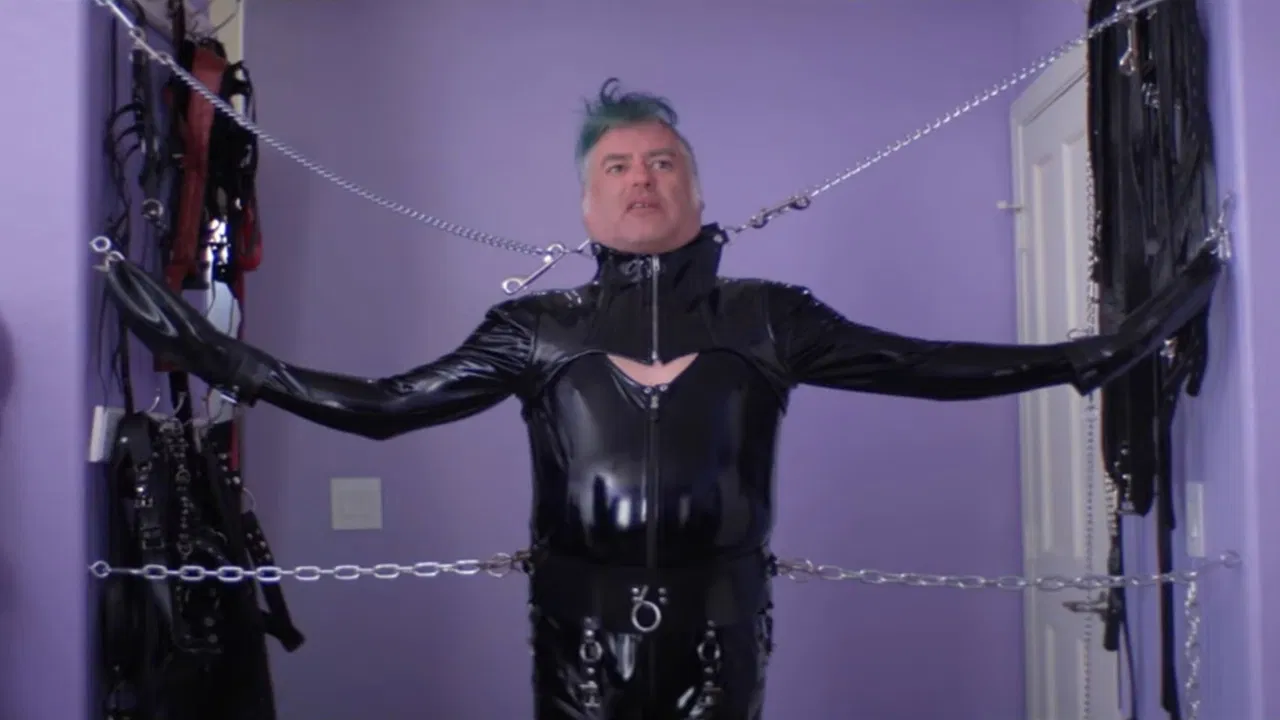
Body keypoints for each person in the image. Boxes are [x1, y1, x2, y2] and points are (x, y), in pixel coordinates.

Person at [99, 78, 1222, 719]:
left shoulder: (769, 316)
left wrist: (1094, 354)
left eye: (662, 161)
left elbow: (926, 365)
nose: (641, 176)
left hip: (722, 637)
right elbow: (389, 405)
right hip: (573, 641)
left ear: (695, 186)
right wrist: (219, 356)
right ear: (587, 204)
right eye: (617, 166)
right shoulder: (536, 328)